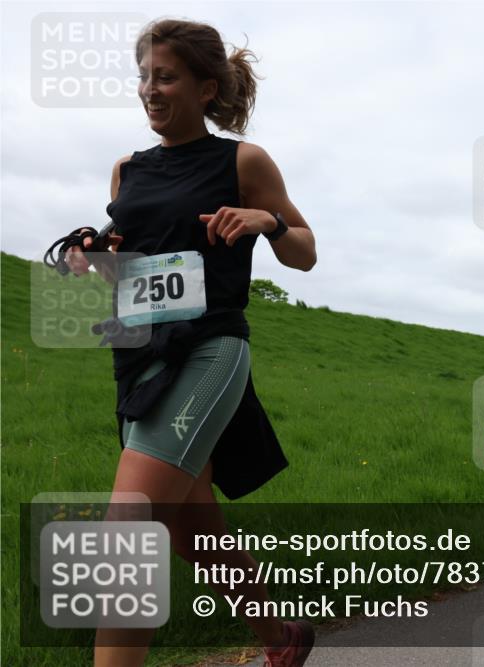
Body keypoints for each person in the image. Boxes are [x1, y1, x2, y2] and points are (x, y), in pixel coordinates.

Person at [65, 19, 316, 667]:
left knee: (127, 538)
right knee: (190, 531)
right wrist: (94, 257)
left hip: (210, 348)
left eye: (166, 76)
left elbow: (305, 253)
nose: (150, 88)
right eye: (145, 76)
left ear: (207, 89)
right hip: (141, 352)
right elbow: (134, 267)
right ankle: (281, 637)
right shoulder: (127, 170)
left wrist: (269, 220)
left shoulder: (242, 161)